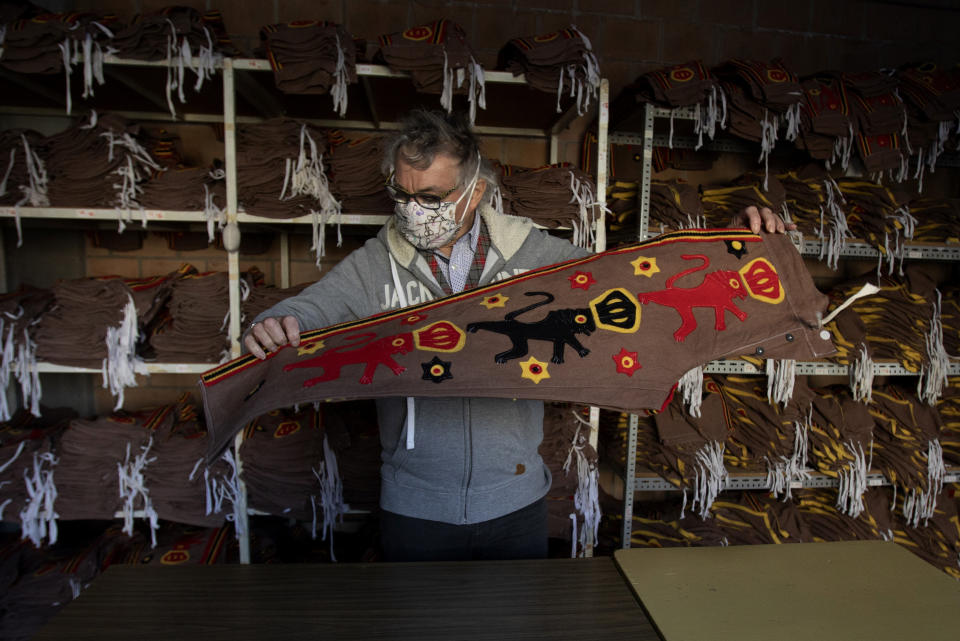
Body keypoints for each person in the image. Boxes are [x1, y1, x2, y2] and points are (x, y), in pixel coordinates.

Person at [244, 108, 791, 562]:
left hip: (516, 503)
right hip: (415, 507)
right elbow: (315, 305)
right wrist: (278, 322)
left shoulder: (537, 257)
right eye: (403, 195)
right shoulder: (376, 264)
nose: (415, 212)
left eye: (433, 197)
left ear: (475, 191)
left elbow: (631, 286)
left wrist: (735, 248)